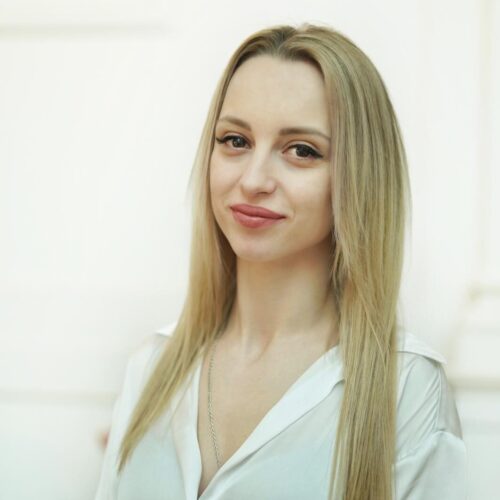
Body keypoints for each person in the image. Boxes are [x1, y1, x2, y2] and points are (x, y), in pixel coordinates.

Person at [94, 22, 467, 500]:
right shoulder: (150, 367)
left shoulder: (408, 389)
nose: (253, 180)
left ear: (359, 177)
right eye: (235, 141)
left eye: (301, 151)